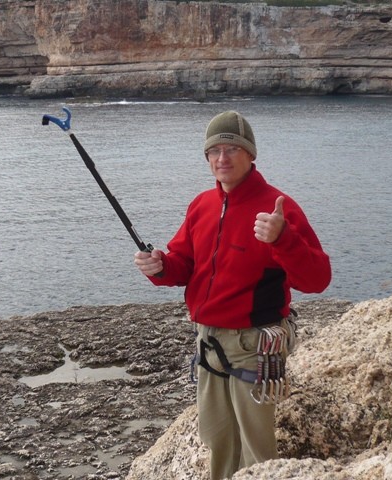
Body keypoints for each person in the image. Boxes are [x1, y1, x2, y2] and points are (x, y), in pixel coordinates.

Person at [134, 110, 331, 480]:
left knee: (257, 448)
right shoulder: (201, 205)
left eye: (232, 149)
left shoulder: (278, 208)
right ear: (207, 157)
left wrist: (283, 239)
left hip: (253, 347)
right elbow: (184, 265)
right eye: (214, 151)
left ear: (250, 154)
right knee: (218, 440)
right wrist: (159, 266)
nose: (222, 158)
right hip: (208, 343)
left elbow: (317, 279)